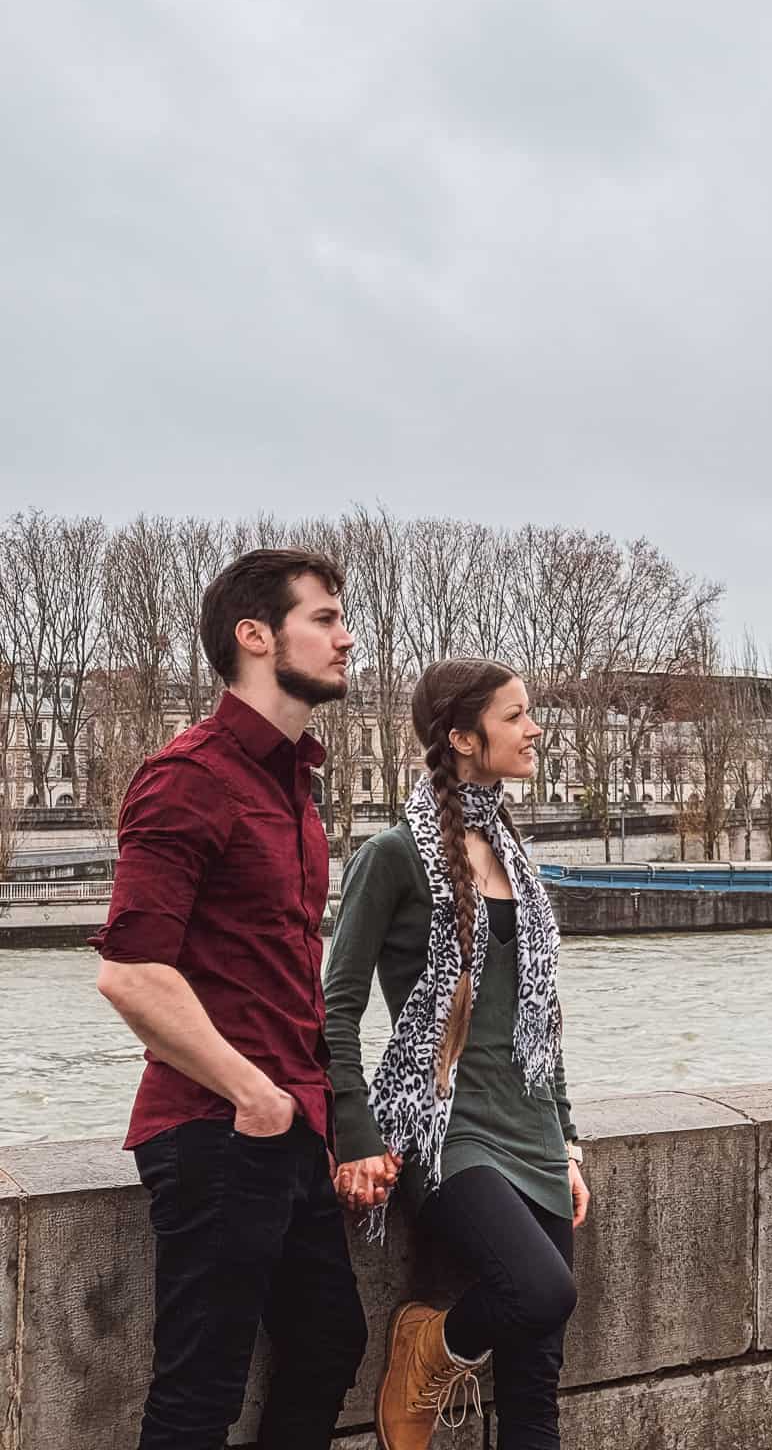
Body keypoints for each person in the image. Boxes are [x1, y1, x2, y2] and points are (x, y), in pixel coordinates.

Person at [91, 548, 368, 1450]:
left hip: (288, 1124)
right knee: (198, 1391)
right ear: (256, 635)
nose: (346, 637)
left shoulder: (294, 785)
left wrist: (315, 1117)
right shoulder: (188, 778)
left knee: (331, 1342)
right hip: (216, 1127)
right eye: (324, 618)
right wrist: (254, 1096)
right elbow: (132, 973)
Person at [324, 657, 589, 1450]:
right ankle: (429, 1348)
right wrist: (357, 1131)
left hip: (533, 1131)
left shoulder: (514, 853)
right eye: (516, 716)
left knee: (538, 1387)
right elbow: (334, 1007)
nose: (535, 728)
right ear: (464, 738)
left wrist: (567, 1135)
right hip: (449, 1133)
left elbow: (540, 1018)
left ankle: (443, 1350)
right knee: (543, 1293)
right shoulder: (394, 857)